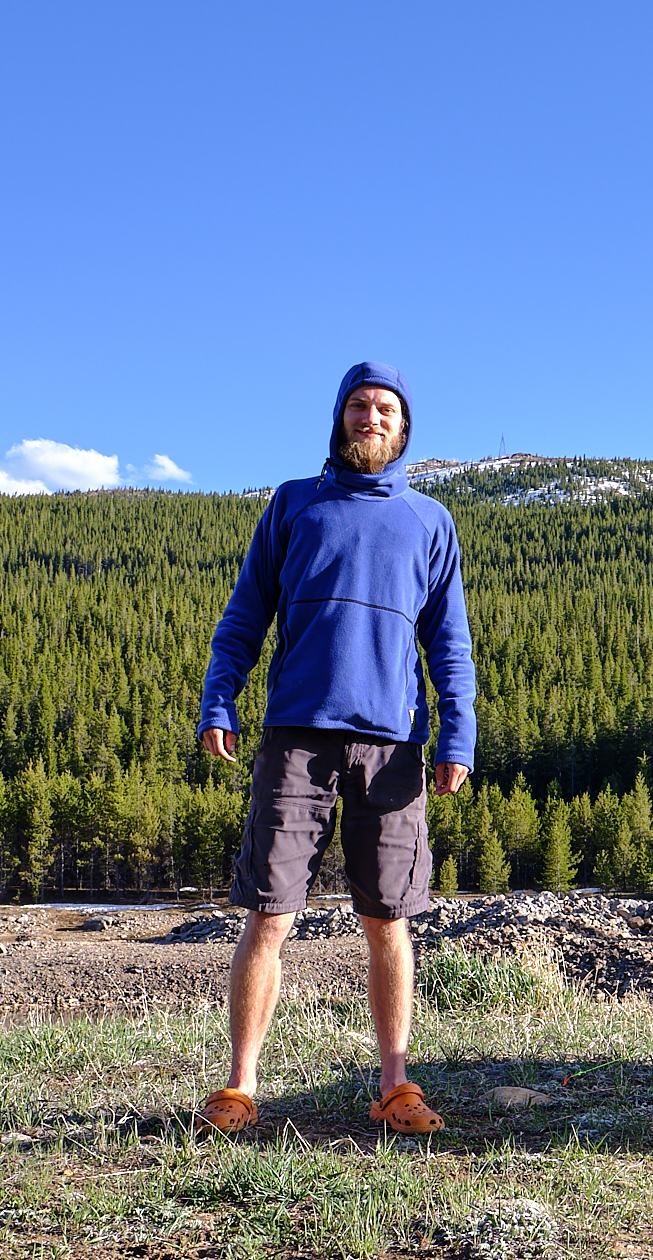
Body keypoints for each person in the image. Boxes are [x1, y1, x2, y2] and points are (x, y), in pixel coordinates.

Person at [193, 362, 476, 1136]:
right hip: (295, 736)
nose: (370, 418)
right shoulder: (294, 505)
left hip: (391, 747)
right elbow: (245, 615)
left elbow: (448, 643)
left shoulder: (430, 522)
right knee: (268, 915)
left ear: (403, 428)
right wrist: (220, 697)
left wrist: (461, 732)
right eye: (359, 405)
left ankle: (395, 1085)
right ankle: (239, 1088)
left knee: (389, 918)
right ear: (340, 418)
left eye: (385, 409)